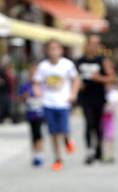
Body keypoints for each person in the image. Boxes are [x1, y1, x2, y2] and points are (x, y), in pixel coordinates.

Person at [34, 39, 80, 172]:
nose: (53, 52)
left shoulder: (67, 64)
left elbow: (76, 79)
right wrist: (38, 93)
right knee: (54, 133)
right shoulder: (43, 66)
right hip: (48, 102)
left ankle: (67, 140)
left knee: (64, 129)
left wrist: (73, 93)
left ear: (61, 50)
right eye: (51, 49)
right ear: (47, 51)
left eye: (56, 49)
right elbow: (36, 82)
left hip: (63, 102)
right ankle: (58, 158)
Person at [76, 35, 115, 165]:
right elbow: (74, 78)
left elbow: (111, 77)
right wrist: (77, 85)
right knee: (88, 122)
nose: (93, 47)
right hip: (85, 96)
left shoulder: (102, 60)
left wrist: (100, 79)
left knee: (98, 125)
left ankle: (99, 150)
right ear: (86, 45)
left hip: (99, 96)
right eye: (91, 43)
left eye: (96, 44)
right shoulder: (80, 61)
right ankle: (89, 151)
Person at [18, 64, 45, 167]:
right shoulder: (25, 85)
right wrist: (24, 96)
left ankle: (40, 154)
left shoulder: (42, 85)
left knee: (38, 133)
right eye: (32, 73)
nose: (33, 75)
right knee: (33, 134)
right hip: (30, 113)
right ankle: (35, 154)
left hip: (40, 113)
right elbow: (20, 98)